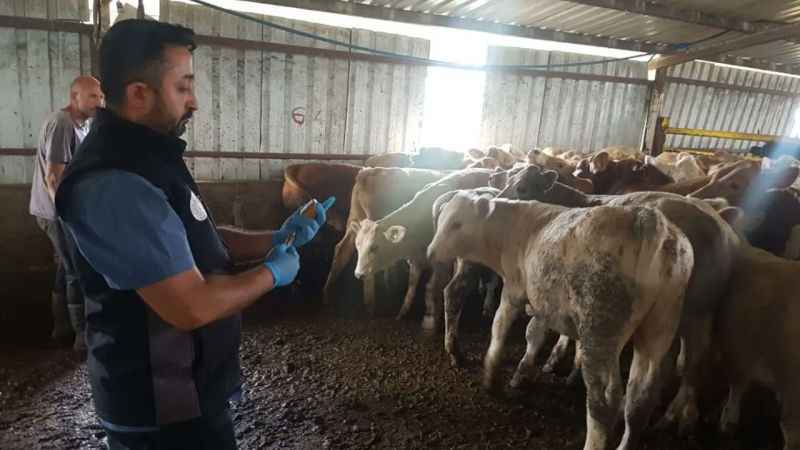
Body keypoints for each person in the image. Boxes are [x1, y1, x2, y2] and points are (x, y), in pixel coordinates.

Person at [55, 19, 333, 449]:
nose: (195, 100)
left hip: (186, 393)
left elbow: (191, 239)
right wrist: (271, 274)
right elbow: (190, 306)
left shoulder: (148, 154)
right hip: (160, 411)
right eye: (183, 87)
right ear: (139, 94)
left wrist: (275, 237)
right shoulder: (115, 181)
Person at [29, 75, 103, 351]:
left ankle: (60, 328)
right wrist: (67, 215)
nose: (99, 102)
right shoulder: (62, 123)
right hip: (55, 211)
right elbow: (53, 177)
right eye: (93, 96)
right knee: (75, 269)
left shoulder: (83, 126)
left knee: (65, 264)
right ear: (75, 97)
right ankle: (81, 337)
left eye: (101, 96)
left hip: (60, 208)